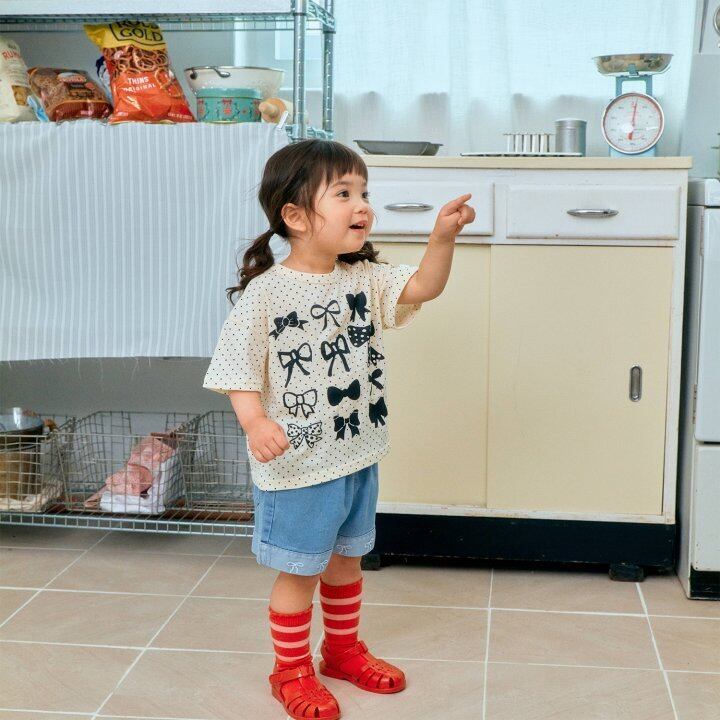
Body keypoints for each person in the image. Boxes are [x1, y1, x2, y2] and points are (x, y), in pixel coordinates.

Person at [203, 139, 475, 720]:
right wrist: (254, 421)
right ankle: (290, 671)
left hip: (355, 453)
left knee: (347, 561)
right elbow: (236, 367)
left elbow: (424, 287)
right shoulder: (267, 293)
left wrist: (442, 239)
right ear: (297, 216)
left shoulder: (363, 278)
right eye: (344, 193)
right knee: (300, 571)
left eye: (364, 193)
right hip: (299, 467)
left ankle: (342, 651)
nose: (362, 205)